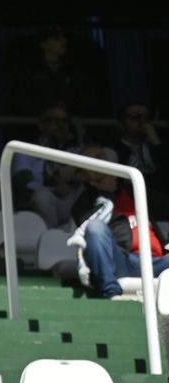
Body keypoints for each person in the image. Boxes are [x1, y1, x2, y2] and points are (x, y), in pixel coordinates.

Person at [69, 144, 169, 301]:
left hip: (159, 263)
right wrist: (104, 191)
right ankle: (112, 294)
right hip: (123, 261)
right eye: (91, 160)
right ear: (82, 175)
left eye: (100, 156)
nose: (97, 161)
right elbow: (93, 231)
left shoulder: (136, 189)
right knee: (95, 227)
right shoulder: (84, 204)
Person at [110, 102, 165, 201]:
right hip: (129, 199)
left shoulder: (157, 145)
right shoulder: (114, 150)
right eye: (135, 117)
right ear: (122, 123)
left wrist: (157, 144)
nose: (142, 122)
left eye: (146, 118)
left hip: (159, 197)